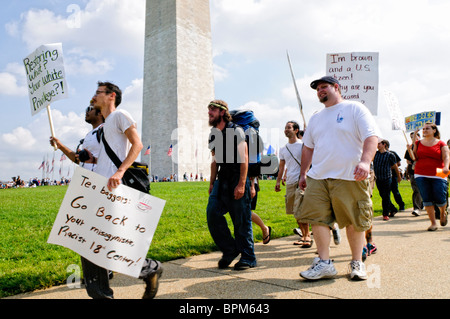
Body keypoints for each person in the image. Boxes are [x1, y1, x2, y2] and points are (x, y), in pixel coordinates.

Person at [78, 81, 162, 299]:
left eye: (98, 93)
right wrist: (92, 158)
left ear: (111, 96)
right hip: (101, 187)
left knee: (111, 242)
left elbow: (137, 145)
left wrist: (121, 171)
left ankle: (150, 268)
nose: (94, 97)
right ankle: (101, 294)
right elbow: (110, 156)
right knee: (89, 243)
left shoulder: (120, 115)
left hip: (115, 188)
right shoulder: (106, 125)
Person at [297, 76, 379, 281]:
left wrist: (365, 162)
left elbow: (371, 137)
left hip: (349, 175)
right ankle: (324, 263)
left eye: (324, 87)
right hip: (318, 177)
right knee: (317, 219)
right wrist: (303, 173)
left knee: (354, 220)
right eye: (317, 89)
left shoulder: (355, 109)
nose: (320, 91)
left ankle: (356, 262)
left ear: (336, 88)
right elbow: (308, 147)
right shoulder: (316, 117)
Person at [206, 100, 257, 270]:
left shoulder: (236, 130)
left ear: (222, 112)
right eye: (209, 109)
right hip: (222, 181)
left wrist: (242, 184)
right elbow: (214, 160)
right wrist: (212, 182)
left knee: (241, 220)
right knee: (212, 214)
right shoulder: (213, 133)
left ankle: (248, 257)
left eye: (212, 109)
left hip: (237, 178)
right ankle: (230, 250)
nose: (209, 112)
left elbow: (245, 158)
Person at [275, 121, 312, 248]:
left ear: (296, 130)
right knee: (294, 211)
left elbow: (310, 160)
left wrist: (305, 175)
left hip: (301, 181)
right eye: (285, 128)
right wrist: (278, 181)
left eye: (289, 128)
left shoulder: (303, 145)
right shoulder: (283, 149)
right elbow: (281, 167)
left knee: (300, 209)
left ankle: (307, 236)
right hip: (290, 182)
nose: (286, 130)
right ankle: (303, 234)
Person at [412, 123, 450, 231]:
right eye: (423, 129)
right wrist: (411, 147)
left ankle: (443, 212)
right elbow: (414, 157)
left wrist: (446, 166)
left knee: (440, 196)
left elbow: (446, 156)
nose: (424, 130)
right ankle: (433, 223)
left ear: (434, 130)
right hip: (421, 173)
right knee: (426, 197)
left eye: (427, 128)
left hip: (439, 173)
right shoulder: (418, 143)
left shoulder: (441, 143)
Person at [50, 102, 104, 172]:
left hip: (101, 179)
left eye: (89, 109)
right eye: (86, 109)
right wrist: (60, 146)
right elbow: (80, 161)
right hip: (88, 180)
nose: (86, 112)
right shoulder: (89, 135)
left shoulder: (105, 129)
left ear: (100, 113)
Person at [373, 139, 402, 221]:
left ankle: (385, 214)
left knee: (386, 196)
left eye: (379, 144)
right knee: (383, 196)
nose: (377, 145)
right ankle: (393, 209)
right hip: (378, 178)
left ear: (384, 144)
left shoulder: (390, 155)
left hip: (387, 178)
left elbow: (396, 166)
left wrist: (399, 177)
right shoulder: (375, 154)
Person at [404, 132, 423, 216]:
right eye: (411, 137)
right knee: (416, 189)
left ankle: (424, 204)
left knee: (425, 189)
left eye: (415, 136)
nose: (413, 138)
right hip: (413, 171)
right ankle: (416, 208)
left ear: (419, 137)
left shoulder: (423, 146)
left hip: (424, 171)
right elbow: (408, 160)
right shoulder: (409, 148)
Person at [250, 177, 271, 244]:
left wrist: (252, 186)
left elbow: (253, 169)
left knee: (246, 211)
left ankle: (264, 228)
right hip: (235, 183)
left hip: (249, 184)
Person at [387, 146, 405, 212]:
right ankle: (389, 207)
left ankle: (401, 205)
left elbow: (399, 163)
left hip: (393, 175)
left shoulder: (392, 153)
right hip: (385, 176)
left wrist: (390, 167)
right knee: (386, 193)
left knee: (395, 191)